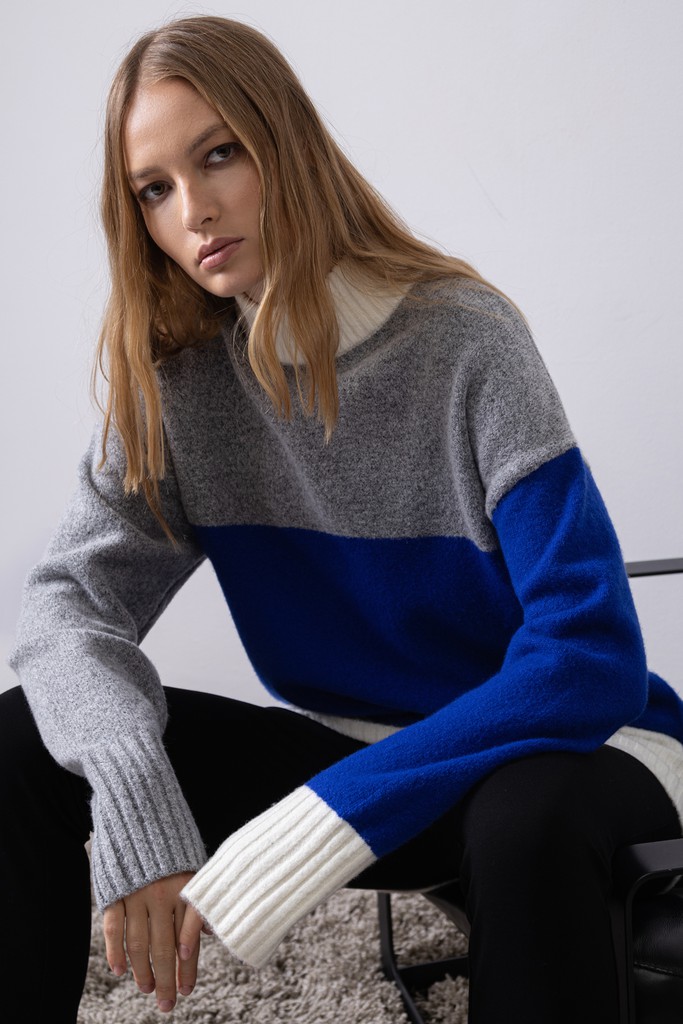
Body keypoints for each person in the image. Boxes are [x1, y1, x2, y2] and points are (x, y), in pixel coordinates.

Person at [4, 14, 683, 1024]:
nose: (194, 210)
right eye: (153, 189)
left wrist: (337, 812)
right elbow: (66, 608)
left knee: (524, 820)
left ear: (285, 143)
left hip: (573, 750)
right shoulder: (181, 387)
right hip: (362, 758)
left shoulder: (466, 340)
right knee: (23, 739)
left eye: (219, 154)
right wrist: (131, 783)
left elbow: (587, 656)